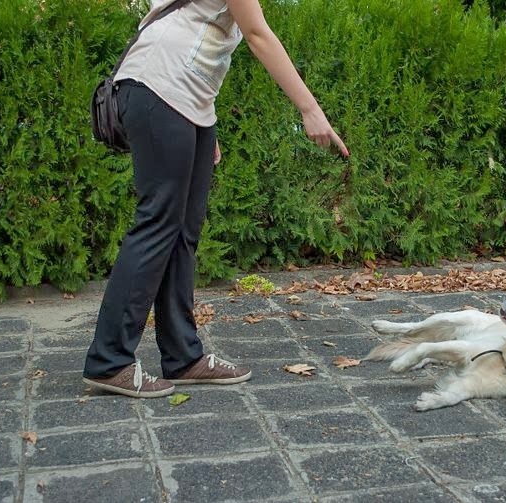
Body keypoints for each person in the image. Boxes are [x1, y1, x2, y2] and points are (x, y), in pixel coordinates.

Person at [83, 0, 349, 398]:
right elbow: (258, 35)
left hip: (184, 99)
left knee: (184, 232)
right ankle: (109, 360)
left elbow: (200, 38)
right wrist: (310, 109)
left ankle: (182, 356)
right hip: (159, 88)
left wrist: (199, 121)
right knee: (158, 221)